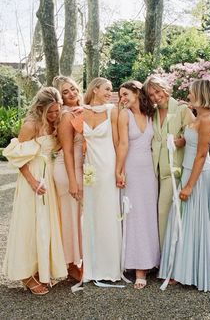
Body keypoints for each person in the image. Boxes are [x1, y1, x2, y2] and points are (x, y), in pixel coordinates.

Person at [159, 79, 210, 292]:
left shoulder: (208, 119)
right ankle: (182, 268)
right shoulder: (198, 116)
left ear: (200, 94)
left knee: (194, 221)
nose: (188, 96)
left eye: (190, 93)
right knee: (184, 220)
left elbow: (200, 155)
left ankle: (196, 270)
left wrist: (189, 186)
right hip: (189, 171)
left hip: (199, 175)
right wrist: (177, 141)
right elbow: (191, 142)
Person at [3, 87, 67, 295]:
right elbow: (17, 158)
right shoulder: (30, 126)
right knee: (29, 224)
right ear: (40, 108)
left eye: (57, 110)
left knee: (45, 224)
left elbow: (53, 149)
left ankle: (41, 269)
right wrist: (32, 182)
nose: (54, 115)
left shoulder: (54, 124)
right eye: (50, 111)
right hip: (32, 178)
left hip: (47, 176)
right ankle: (25, 275)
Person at [116, 80, 160, 289]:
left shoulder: (152, 114)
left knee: (149, 214)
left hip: (150, 171)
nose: (122, 99)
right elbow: (122, 144)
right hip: (132, 169)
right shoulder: (124, 115)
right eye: (120, 96)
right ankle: (138, 267)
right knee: (134, 215)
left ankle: (152, 260)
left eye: (125, 94)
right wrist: (119, 170)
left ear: (136, 92)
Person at [143, 75, 195, 249]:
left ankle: (169, 259)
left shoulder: (181, 109)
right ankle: (157, 256)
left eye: (157, 92)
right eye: (151, 95)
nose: (156, 97)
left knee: (163, 211)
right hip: (153, 170)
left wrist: (183, 141)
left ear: (165, 89)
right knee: (153, 213)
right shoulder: (153, 112)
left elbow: (195, 136)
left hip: (174, 170)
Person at [82, 77, 122, 284]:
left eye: (110, 90)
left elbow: (116, 142)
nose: (109, 92)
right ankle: (91, 267)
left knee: (108, 212)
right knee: (91, 214)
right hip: (89, 168)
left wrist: (118, 170)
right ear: (95, 89)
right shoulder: (80, 111)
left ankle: (110, 267)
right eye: (106, 89)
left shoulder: (111, 110)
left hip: (107, 166)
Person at [53, 76, 83, 283]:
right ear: (60, 98)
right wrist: (73, 181)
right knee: (70, 217)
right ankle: (70, 265)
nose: (71, 94)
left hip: (81, 169)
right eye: (65, 92)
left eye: (73, 89)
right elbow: (68, 152)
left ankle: (77, 261)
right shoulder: (65, 116)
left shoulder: (80, 110)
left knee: (79, 217)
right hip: (68, 171)